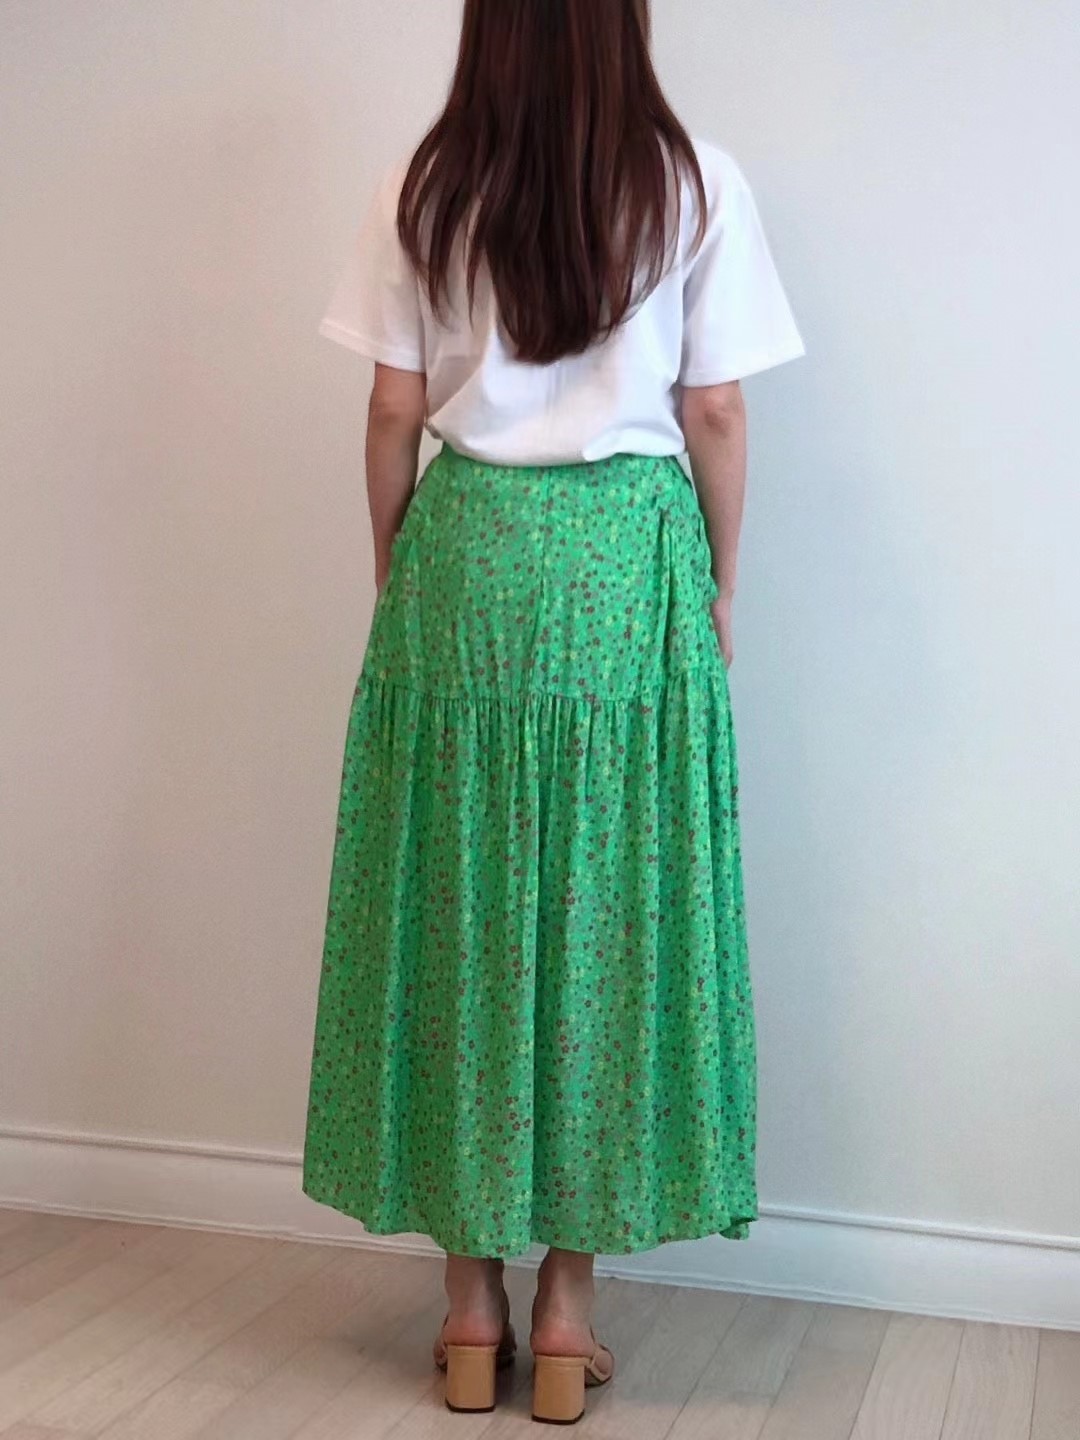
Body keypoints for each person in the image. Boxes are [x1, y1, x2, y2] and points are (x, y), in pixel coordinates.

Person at [302, 0, 805, 1423]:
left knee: (460, 914)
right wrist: (720, 583)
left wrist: (398, 569)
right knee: (608, 921)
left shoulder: (426, 182)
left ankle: (470, 1309)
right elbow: (715, 412)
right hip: (628, 567)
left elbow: (392, 408)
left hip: (467, 556)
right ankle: (568, 1316)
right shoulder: (695, 182)